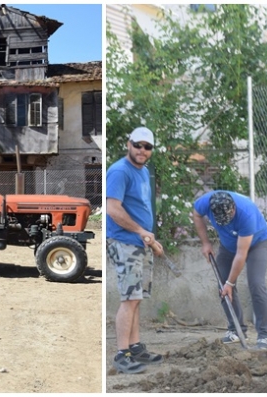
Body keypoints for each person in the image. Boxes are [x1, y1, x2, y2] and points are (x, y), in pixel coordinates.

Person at [106, 127, 164, 374]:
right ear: (129, 144)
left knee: (136, 298)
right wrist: (141, 232)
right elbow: (112, 209)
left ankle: (135, 346)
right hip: (124, 242)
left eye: (147, 147)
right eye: (138, 145)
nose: (142, 150)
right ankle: (122, 354)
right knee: (129, 299)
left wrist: (149, 238)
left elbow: (139, 208)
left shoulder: (142, 171)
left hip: (140, 242)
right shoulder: (120, 171)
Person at [193, 190, 267, 349]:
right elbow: (196, 215)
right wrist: (206, 243)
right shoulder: (206, 202)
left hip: (256, 243)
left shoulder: (246, 214)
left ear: (233, 209)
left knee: (256, 284)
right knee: (222, 286)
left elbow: (241, 255)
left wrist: (230, 283)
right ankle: (236, 330)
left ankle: (265, 336)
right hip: (228, 245)